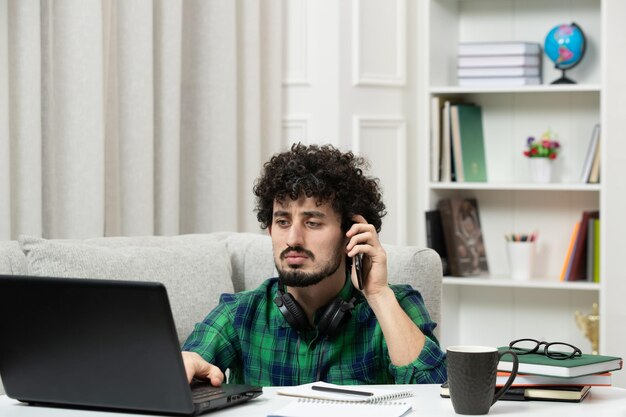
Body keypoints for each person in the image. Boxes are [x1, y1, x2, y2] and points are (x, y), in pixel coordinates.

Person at [182, 143, 447, 386]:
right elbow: (190, 363)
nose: (293, 239)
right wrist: (185, 364)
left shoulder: (396, 305)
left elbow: (438, 396)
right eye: (283, 222)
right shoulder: (239, 313)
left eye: (313, 223)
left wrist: (378, 294)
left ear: (351, 233)